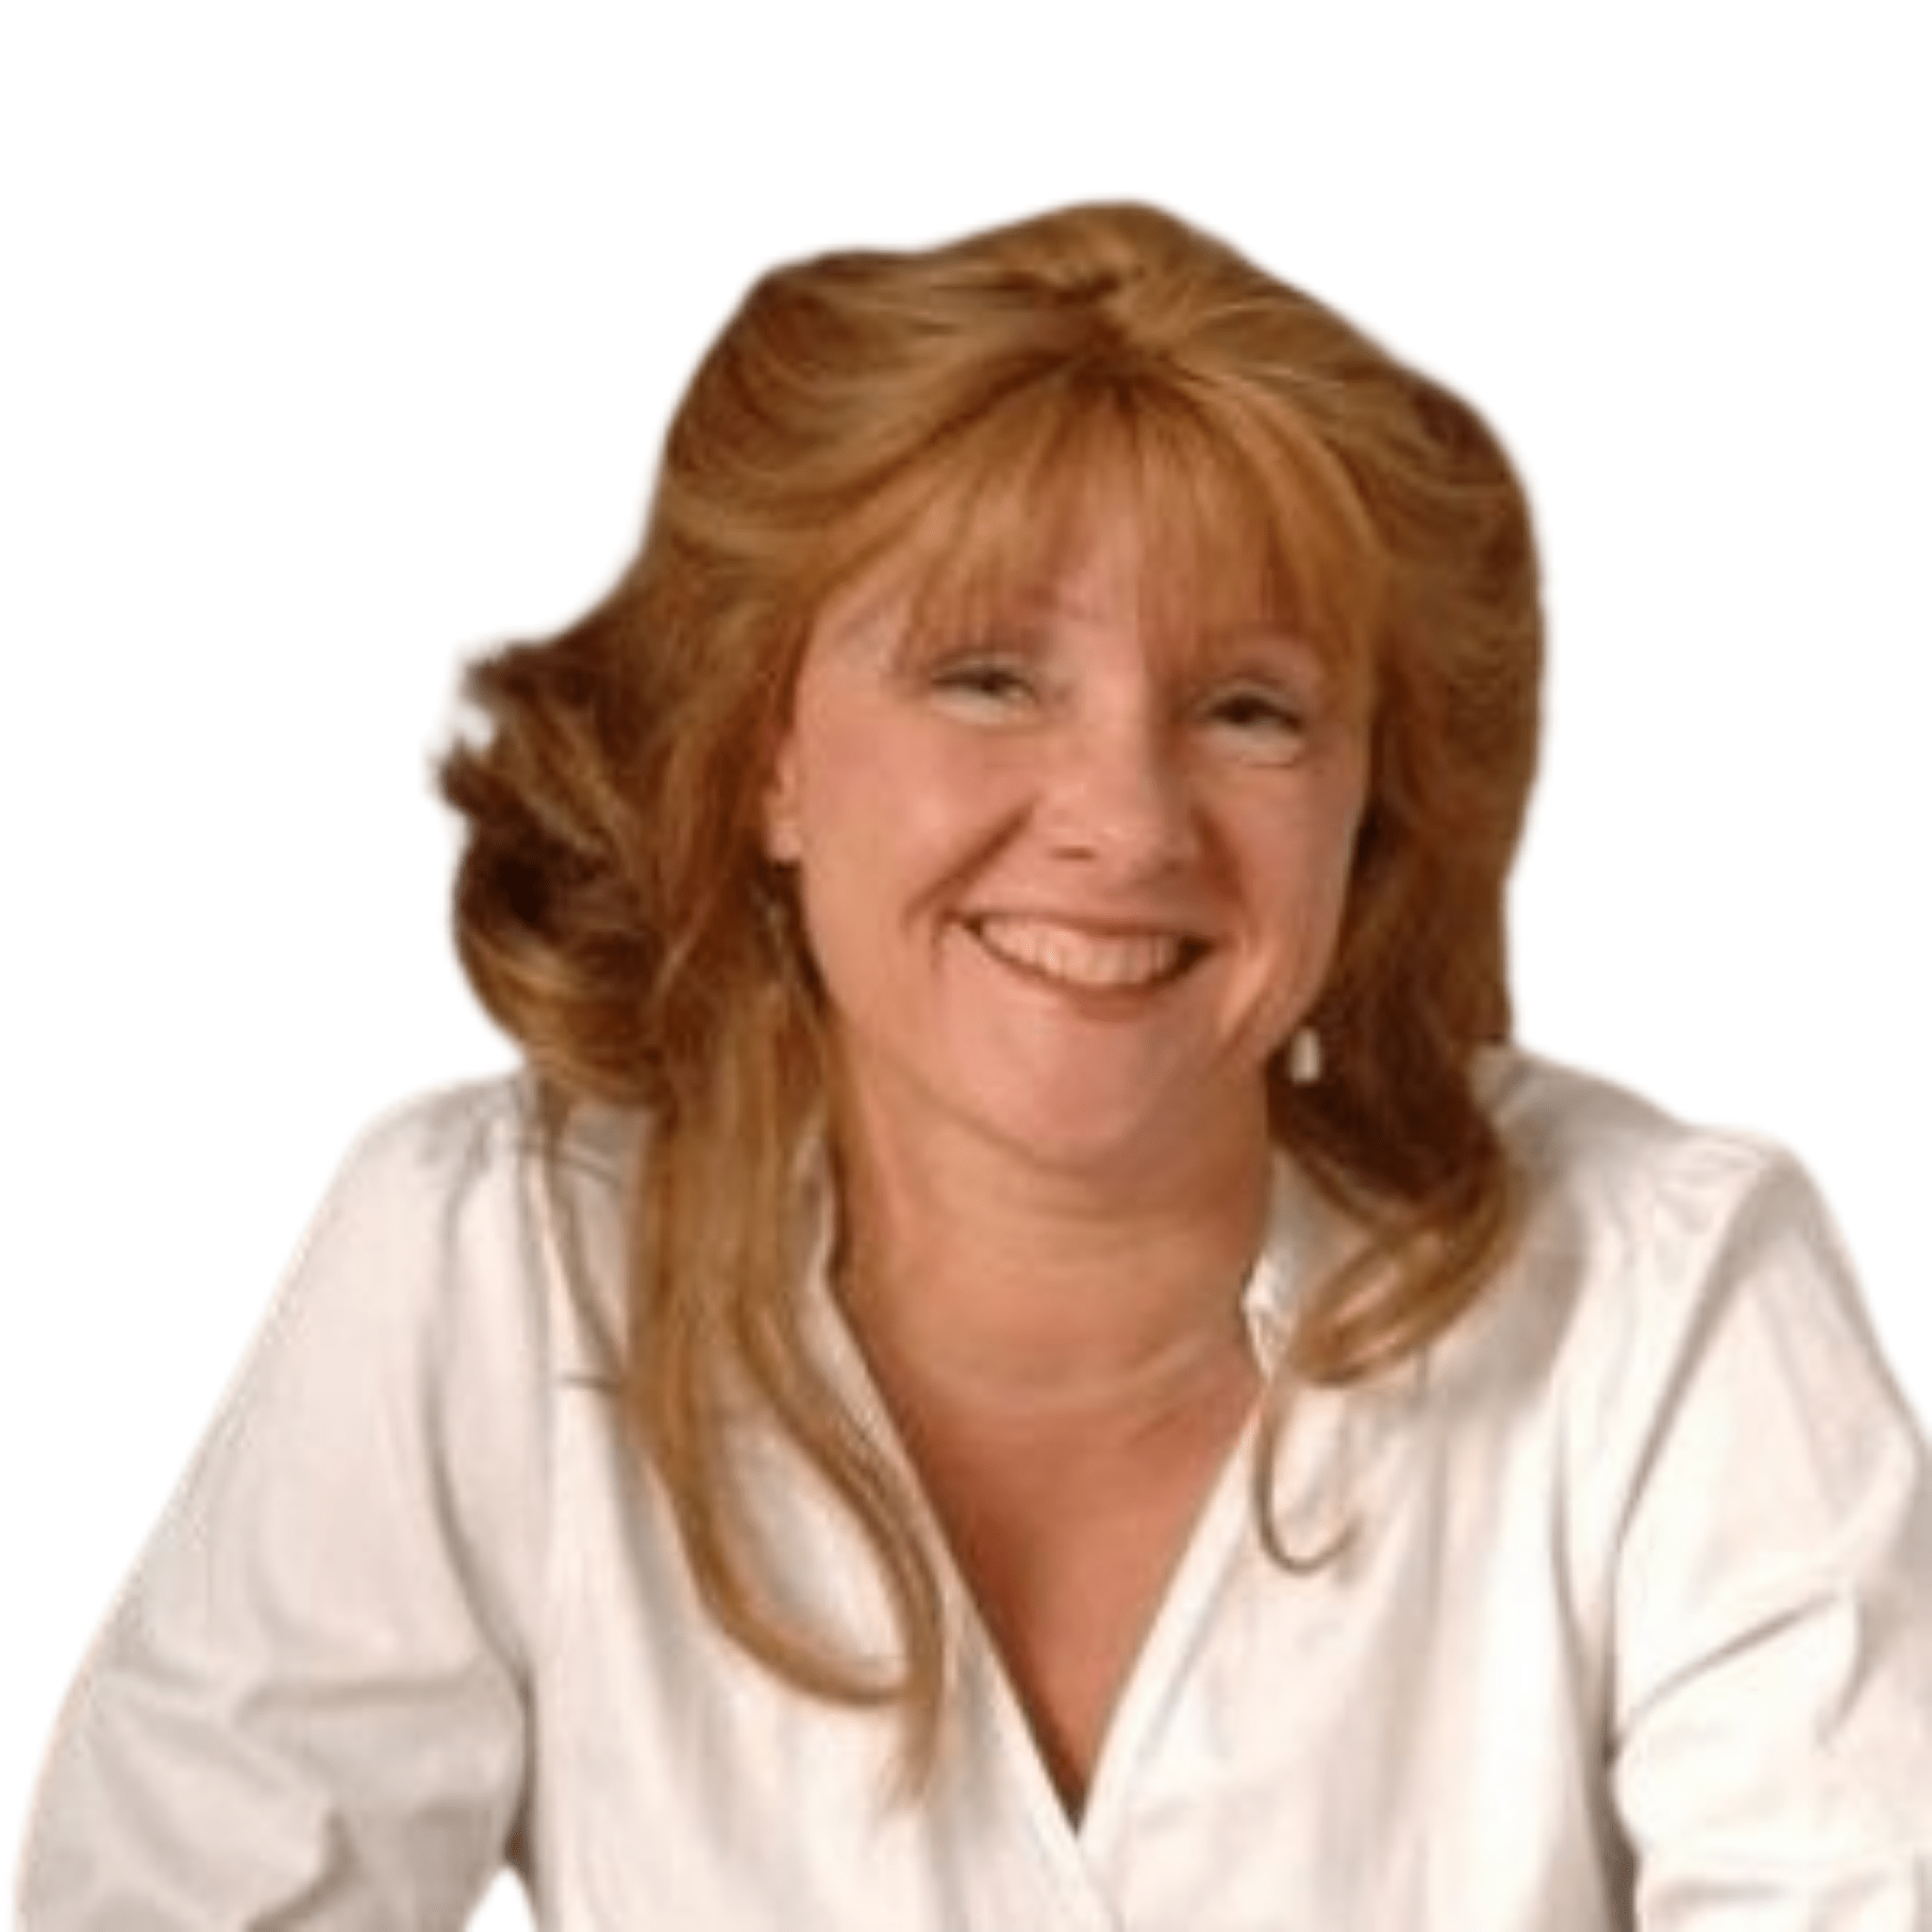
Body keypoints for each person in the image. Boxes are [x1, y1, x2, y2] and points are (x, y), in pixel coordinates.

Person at [17, 201, 1932, 1928]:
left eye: (1249, 710)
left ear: (1367, 814)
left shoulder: (1666, 1295)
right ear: (766, 757)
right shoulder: (493, 1267)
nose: (1126, 821)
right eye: (989, 677)